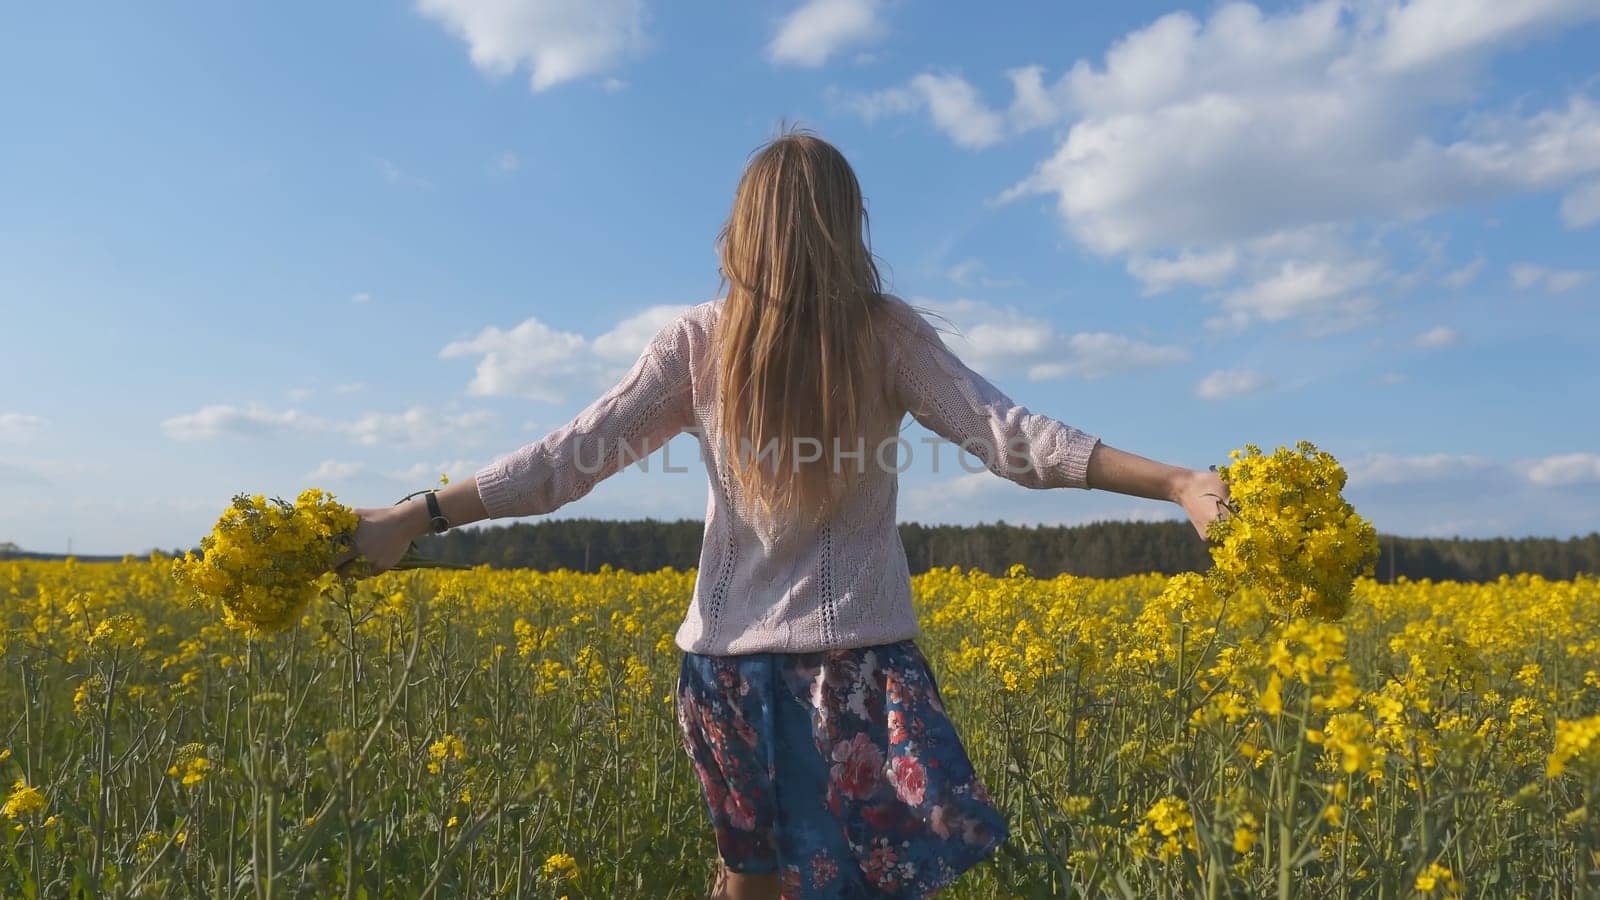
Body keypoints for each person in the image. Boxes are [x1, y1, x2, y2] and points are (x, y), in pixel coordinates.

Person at [336, 128, 1231, 899]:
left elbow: (563, 462)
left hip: (725, 675)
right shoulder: (882, 333)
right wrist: (1177, 482)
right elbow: (1015, 439)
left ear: (743, 226)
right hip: (857, 672)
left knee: (748, 882)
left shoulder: (700, 340)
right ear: (848, 225)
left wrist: (415, 516)